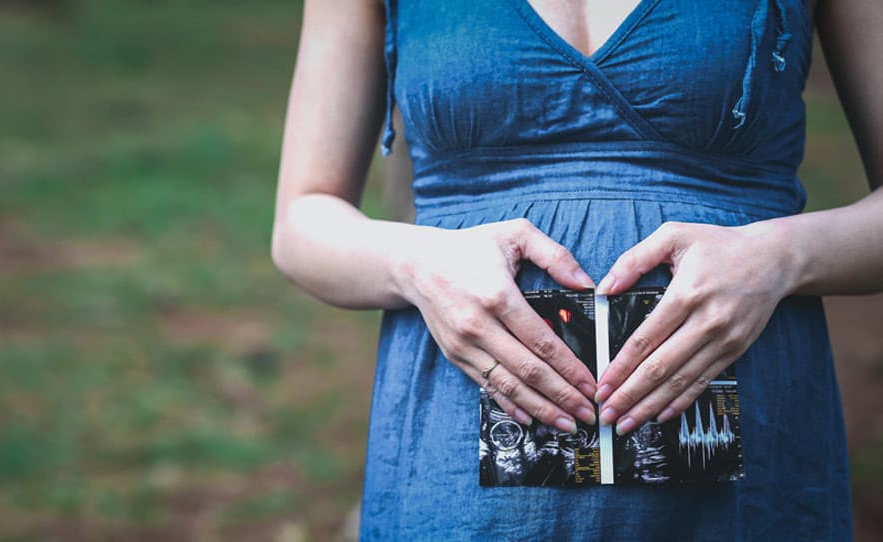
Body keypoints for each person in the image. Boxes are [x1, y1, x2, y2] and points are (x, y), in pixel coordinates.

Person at [270, 0, 882, 539]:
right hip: (456, 475)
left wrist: (781, 256)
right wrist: (415, 263)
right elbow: (301, 222)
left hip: (749, 464)